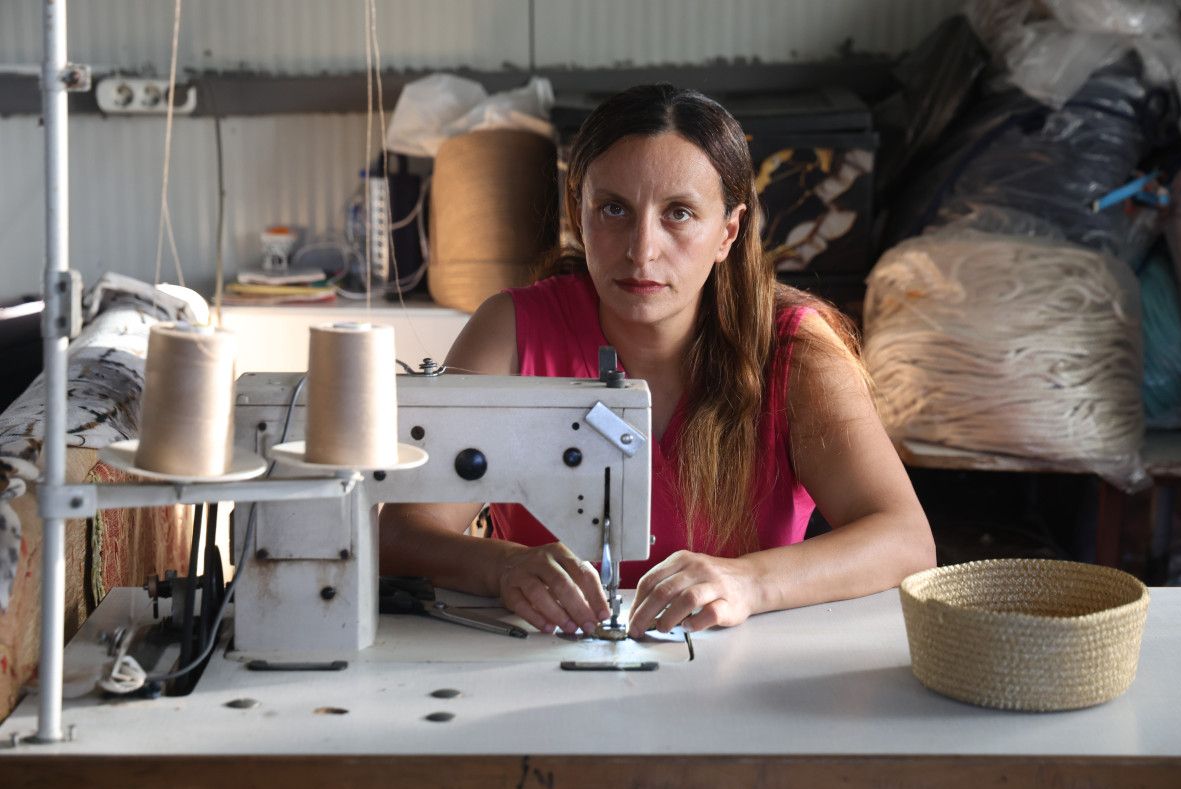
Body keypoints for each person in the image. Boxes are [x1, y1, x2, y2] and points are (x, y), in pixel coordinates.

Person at [381, 84, 935, 639]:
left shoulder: (795, 350)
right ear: (578, 214)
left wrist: (749, 582)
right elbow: (402, 534)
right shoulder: (511, 332)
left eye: (679, 214)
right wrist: (502, 567)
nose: (641, 250)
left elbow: (905, 539)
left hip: (743, 668)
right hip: (534, 656)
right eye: (614, 209)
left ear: (728, 232)